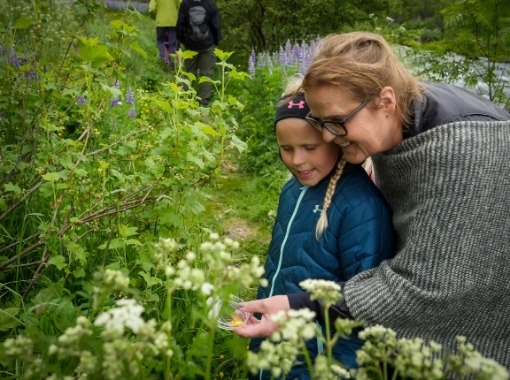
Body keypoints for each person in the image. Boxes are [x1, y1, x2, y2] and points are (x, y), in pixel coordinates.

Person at [236, 31, 510, 369]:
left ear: (386, 101)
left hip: (479, 348)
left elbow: (430, 287)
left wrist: (300, 305)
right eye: (320, 123)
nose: (325, 137)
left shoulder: (464, 151)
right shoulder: (404, 116)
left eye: (336, 122)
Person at [245, 91, 394, 379]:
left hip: (320, 354)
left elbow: (364, 301)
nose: (297, 160)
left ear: (334, 140)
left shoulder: (360, 206)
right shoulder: (291, 190)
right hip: (272, 330)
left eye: (309, 147)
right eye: (286, 148)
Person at [176, 0, 221, 106]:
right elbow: (216, 25)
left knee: (188, 73)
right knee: (206, 74)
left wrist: (183, 40)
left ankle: (186, 100)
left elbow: (180, 25)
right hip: (208, 45)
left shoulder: (185, 3)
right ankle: (204, 102)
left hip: (190, 44)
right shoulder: (210, 4)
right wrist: (216, 41)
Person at [148, 0, 181, 70]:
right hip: (173, 22)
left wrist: (155, 16)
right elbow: (181, 4)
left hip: (160, 22)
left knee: (160, 41)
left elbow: (152, 8)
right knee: (173, 43)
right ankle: (173, 64)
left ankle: (164, 59)